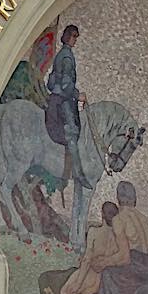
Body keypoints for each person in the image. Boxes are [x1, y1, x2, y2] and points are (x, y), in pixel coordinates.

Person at [59, 201, 121, 294]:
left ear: (102, 214)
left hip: (88, 274)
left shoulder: (94, 232)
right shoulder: (117, 238)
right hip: (98, 281)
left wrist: (78, 282)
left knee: (65, 293)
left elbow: (87, 259)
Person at [45, 25, 86, 180]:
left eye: (76, 37)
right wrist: (78, 95)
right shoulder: (67, 56)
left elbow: (52, 80)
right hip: (62, 100)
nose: (75, 40)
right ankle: (77, 173)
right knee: (72, 133)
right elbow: (66, 83)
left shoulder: (61, 54)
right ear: (68, 36)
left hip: (55, 98)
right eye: (74, 36)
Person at [113, 180, 148, 255]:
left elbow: (123, 252)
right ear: (134, 198)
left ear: (118, 197)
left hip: (132, 260)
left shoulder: (119, 218)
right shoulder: (144, 218)